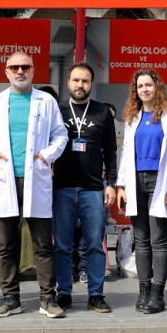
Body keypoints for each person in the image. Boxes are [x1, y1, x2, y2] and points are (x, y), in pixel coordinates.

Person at [0, 51, 68, 318]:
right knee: (6, 244)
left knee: (43, 243)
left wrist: (47, 155)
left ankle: (47, 299)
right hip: (5, 178)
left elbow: (61, 134)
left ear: (33, 70)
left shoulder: (45, 101)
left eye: (25, 67)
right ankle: (10, 298)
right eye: (15, 67)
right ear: (6, 72)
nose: (20, 71)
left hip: (36, 178)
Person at [116, 69, 167, 314]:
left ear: (157, 87)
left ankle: (158, 293)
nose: (144, 89)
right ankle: (143, 290)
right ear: (136, 90)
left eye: (148, 85)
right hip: (135, 182)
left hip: (160, 182)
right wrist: (121, 185)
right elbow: (125, 154)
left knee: (159, 240)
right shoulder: (132, 117)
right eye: (140, 86)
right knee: (141, 241)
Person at [52, 62, 117, 313]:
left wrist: (111, 183)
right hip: (62, 188)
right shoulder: (57, 111)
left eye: (85, 81)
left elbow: (111, 151)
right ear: (68, 83)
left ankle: (96, 294)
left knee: (94, 244)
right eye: (76, 80)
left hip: (93, 189)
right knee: (62, 245)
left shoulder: (102, 112)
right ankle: (64, 293)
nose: (80, 85)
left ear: (91, 84)